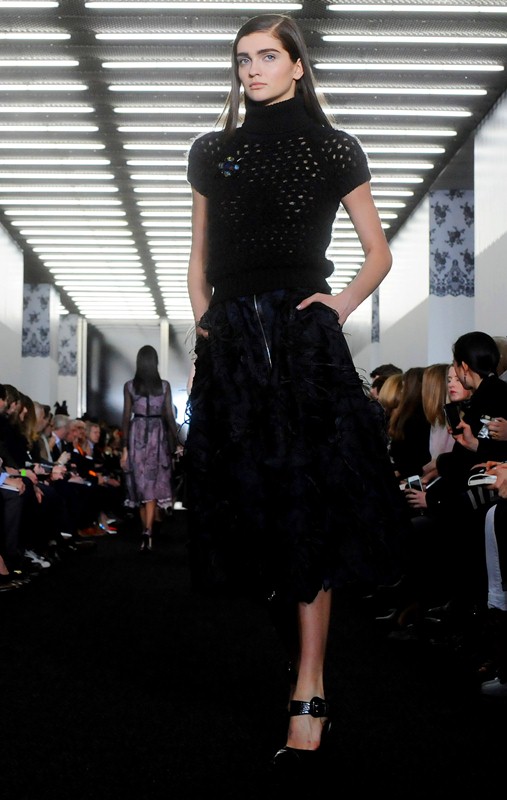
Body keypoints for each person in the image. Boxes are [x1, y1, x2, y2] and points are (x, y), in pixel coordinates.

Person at [184, 13, 409, 769]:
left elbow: (378, 253)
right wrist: (205, 331)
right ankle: (299, 658)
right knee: (251, 511)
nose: (251, 69)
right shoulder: (212, 151)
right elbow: (198, 259)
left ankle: (309, 688)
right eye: (242, 58)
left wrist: (337, 306)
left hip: (302, 339)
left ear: (297, 66)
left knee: (309, 506)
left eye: (267, 56)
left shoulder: (332, 146)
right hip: (233, 341)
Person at [120, 345, 178, 552]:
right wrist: (178, 442)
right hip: (157, 437)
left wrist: (124, 448)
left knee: (140, 486)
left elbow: (125, 418)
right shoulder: (164, 386)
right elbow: (169, 416)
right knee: (152, 486)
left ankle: (145, 529)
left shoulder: (129, 386)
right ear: (155, 363)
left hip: (136, 436)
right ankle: (148, 530)